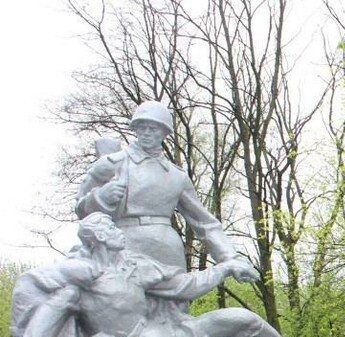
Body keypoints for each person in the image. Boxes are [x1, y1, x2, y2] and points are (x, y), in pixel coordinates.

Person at [10, 213, 317, 337]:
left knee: (243, 319)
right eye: (111, 228)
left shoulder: (133, 266)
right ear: (99, 237)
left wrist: (226, 268)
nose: (119, 232)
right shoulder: (78, 283)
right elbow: (39, 332)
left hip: (176, 330)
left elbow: (184, 286)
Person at [76, 100, 258, 277]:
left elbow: (205, 222)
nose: (146, 133)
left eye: (153, 128)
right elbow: (81, 210)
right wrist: (99, 198)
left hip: (167, 253)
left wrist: (229, 258)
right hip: (124, 248)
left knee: (175, 308)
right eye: (141, 127)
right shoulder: (112, 163)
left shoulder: (177, 176)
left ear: (164, 132)